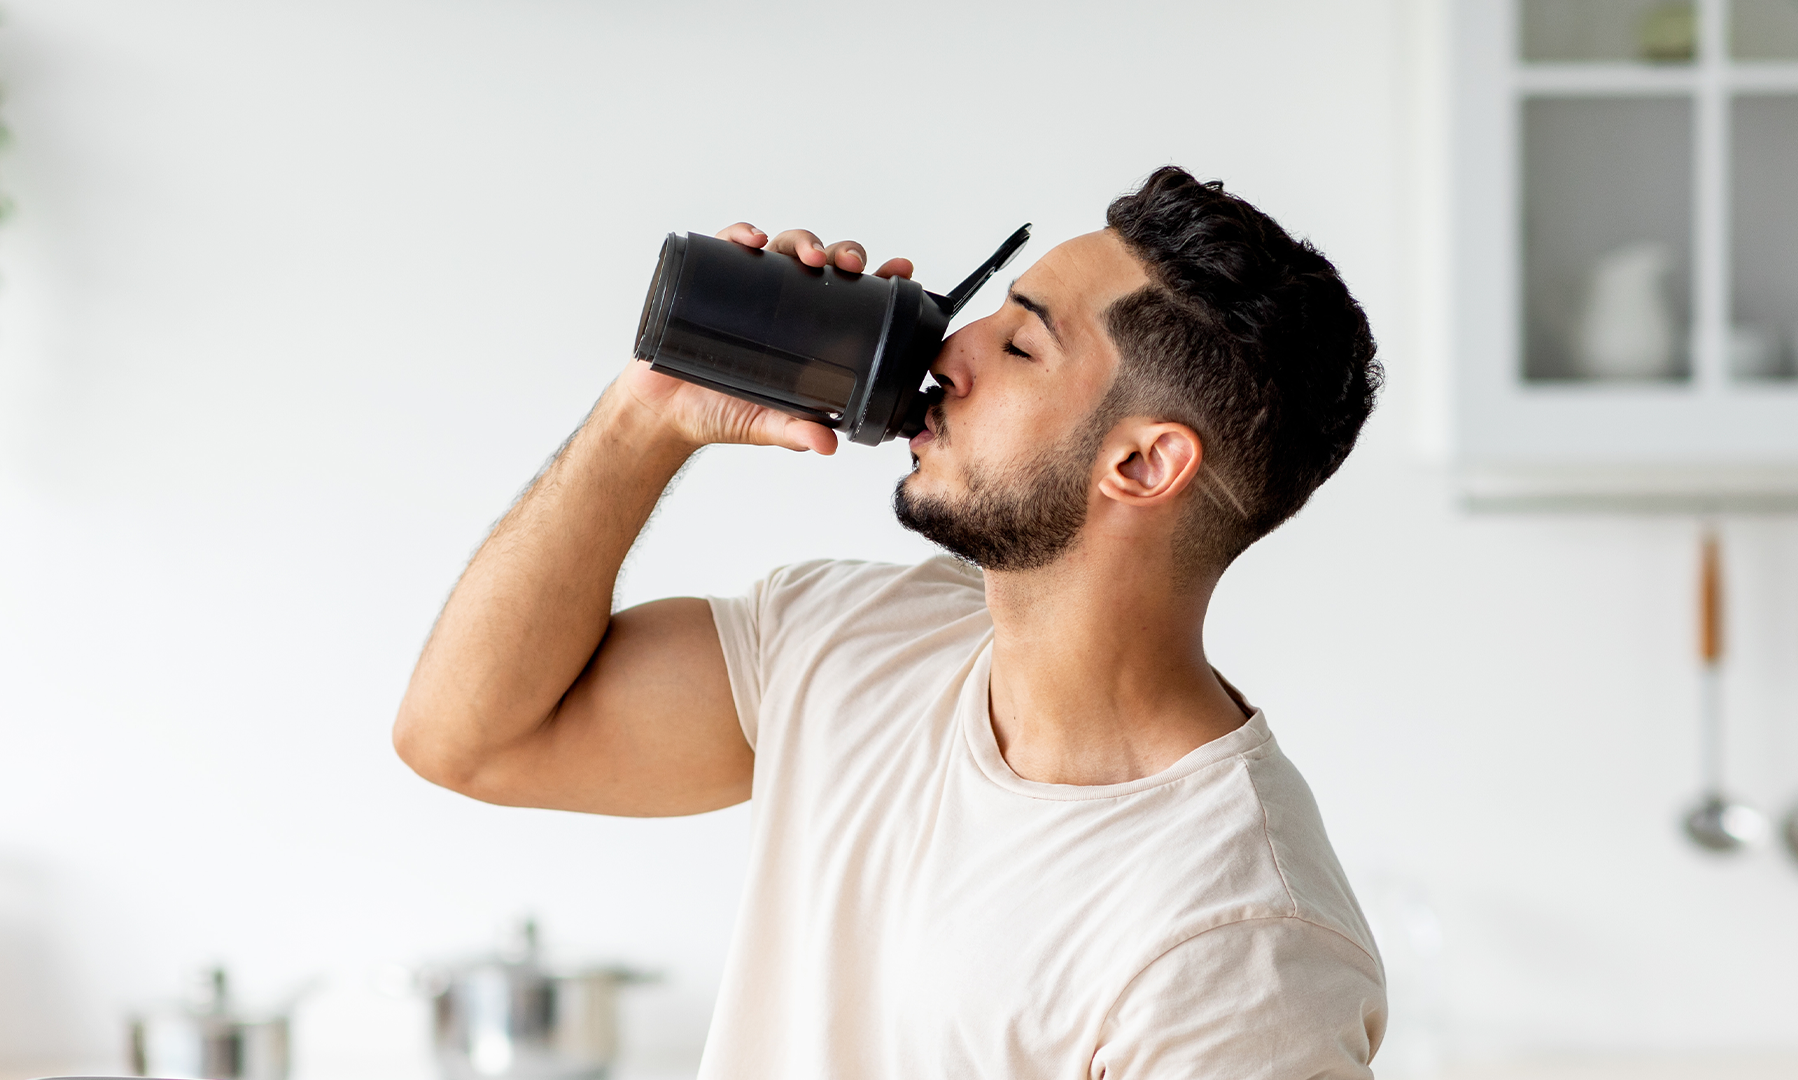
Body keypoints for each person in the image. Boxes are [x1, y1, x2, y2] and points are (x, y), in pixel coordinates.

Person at [394, 166, 1386, 1079]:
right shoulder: (855, 641)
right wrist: (647, 414)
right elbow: (469, 739)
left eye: (1023, 342)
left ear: (1140, 465)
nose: (952, 353)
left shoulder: (1241, 944)